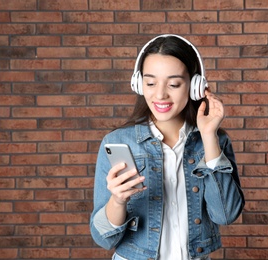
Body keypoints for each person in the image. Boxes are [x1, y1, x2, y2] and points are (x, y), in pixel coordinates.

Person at [90, 34, 245, 260]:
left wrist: (209, 136)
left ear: (195, 86)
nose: (160, 94)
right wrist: (118, 200)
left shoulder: (215, 141)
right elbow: (104, 239)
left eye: (173, 84)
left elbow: (225, 215)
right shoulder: (118, 142)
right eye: (151, 83)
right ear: (138, 83)